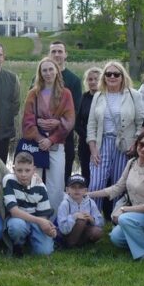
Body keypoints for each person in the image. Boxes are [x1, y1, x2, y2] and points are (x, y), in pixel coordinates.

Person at [88, 128, 144, 261]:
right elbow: (117, 188)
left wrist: (124, 210)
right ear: (137, 144)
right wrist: (88, 194)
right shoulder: (131, 163)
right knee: (116, 238)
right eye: (141, 144)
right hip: (134, 216)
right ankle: (141, 240)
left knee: (124, 219)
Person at [85, 60, 144, 219]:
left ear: (122, 76)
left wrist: (136, 142)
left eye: (116, 74)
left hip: (125, 145)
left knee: (119, 183)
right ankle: (94, 217)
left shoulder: (134, 95)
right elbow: (91, 124)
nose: (112, 77)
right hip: (102, 143)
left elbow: (141, 122)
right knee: (96, 182)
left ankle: (116, 217)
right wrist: (93, 148)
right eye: (108, 74)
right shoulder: (98, 95)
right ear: (103, 77)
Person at [21, 57, 75, 212]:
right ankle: (31, 216)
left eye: (51, 69)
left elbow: (69, 121)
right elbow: (27, 121)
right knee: (32, 182)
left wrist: (51, 139)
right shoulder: (33, 93)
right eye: (44, 70)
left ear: (57, 71)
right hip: (35, 145)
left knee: (56, 184)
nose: (48, 73)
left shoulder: (66, 94)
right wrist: (40, 139)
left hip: (57, 145)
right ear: (40, 73)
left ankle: (53, 221)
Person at [3, 152, 57, 256]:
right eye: (19, 170)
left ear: (34, 170)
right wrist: (40, 221)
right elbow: (14, 212)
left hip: (36, 219)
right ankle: (18, 244)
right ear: (14, 170)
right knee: (17, 227)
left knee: (45, 252)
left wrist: (47, 228)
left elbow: (43, 215)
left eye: (27, 170)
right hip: (17, 218)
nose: (23, 174)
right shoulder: (8, 180)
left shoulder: (41, 186)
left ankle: (33, 241)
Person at [48, 40, 82, 181]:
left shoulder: (73, 80)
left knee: (63, 178)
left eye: (60, 51)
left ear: (65, 54)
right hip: (41, 137)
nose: (57, 54)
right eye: (53, 51)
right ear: (49, 55)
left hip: (64, 137)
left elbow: (75, 111)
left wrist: (57, 125)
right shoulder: (39, 78)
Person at [56, 173, 104, 248]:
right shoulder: (64, 204)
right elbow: (63, 229)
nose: (77, 190)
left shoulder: (91, 202)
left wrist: (92, 219)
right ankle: (69, 244)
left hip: (83, 231)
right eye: (73, 187)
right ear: (67, 190)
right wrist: (74, 217)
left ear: (85, 190)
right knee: (81, 221)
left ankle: (80, 244)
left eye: (80, 187)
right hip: (67, 234)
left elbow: (101, 223)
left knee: (97, 232)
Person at [74, 67, 102, 187]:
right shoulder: (84, 97)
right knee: (86, 174)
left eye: (96, 79)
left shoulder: (105, 98)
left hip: (102, 143)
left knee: (100, 175)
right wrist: (88, 137)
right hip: (85, 143)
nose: (93, 82)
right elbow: (76, 122)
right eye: (90, 79)